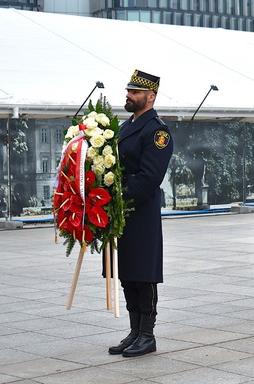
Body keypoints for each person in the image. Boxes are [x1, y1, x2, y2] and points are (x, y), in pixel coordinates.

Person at [108, 70, 173, 357]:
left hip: (141, 211)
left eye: (134, 92)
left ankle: (148, 334)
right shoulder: (125, 127)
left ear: (151, 96)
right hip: (121, 211)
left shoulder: (157, 131)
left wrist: (119, 196)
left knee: (143, 273)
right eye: (128, 91)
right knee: (127, 272)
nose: (128, 95)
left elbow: (150, 177)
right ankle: (134, 331)